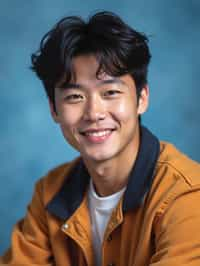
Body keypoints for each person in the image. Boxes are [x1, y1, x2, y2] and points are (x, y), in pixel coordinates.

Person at [1, 11, 200, 266]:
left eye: (111, 92)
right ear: (53, 109)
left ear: (142, 99)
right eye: (75, 97)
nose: (94, 113)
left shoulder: (187, 195)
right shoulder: (49, 192)